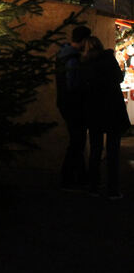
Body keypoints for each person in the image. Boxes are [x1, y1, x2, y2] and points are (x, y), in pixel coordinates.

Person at [80, 35, 130, 199]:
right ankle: (113, 189)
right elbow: (119, 78)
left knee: (95, 149)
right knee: (113, 151)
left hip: (94, 111)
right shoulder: (109, 59)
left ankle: (93, 187)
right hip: (112, 109)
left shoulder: (85, 63)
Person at [55, 24, 91, 190]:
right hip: (74, 104)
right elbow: (73, 85)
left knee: (77, 141)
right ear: (83, 40)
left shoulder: (63, 54)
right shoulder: (73, 58)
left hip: (65, 103)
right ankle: (67, 178)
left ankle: (81, 177)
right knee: (77, 141)